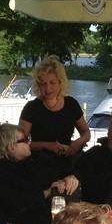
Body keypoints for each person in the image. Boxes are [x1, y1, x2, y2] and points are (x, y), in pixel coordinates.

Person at [0, 123, 79, 224]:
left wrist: (70, 177)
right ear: (12, 147)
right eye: (24, 140)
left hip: (57, 219)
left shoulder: (31, 161)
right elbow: (17, 205)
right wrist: (48, 191)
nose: (29, 143)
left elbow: (60, 169)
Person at [18, 56, 91, 184]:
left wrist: (76, 143)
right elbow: (20, 143)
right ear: (38, 85)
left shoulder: (71, 104)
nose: (48, 89)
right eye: (43, 84)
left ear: (60, 82)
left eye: (52, 83)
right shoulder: (32, 108)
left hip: (68, 160)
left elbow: (86, 133)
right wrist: (47, 145)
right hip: (40, 164)